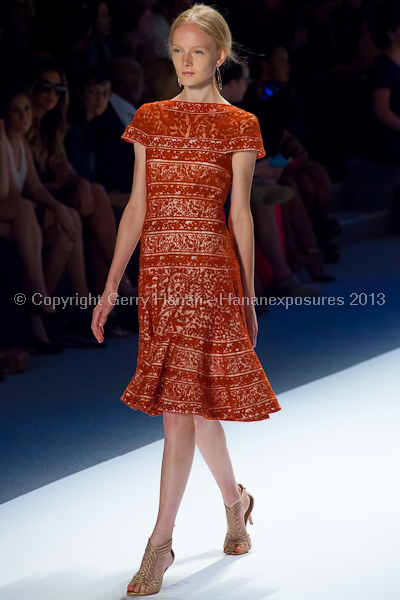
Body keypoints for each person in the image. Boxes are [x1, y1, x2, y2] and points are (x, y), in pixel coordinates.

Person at [91, 4, 281, 596]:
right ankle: (237, 499)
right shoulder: (150, 117)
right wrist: (110, 284)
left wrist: (248, 295)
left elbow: (242, 214)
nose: (185, 61)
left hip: (211, 276)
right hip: (161, 280)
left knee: (183, 415)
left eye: (197, 51)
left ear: (219, 57)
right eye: (177, 50)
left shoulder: (240, 124)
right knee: (196, 413)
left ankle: (159, 544)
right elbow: (137, 207)